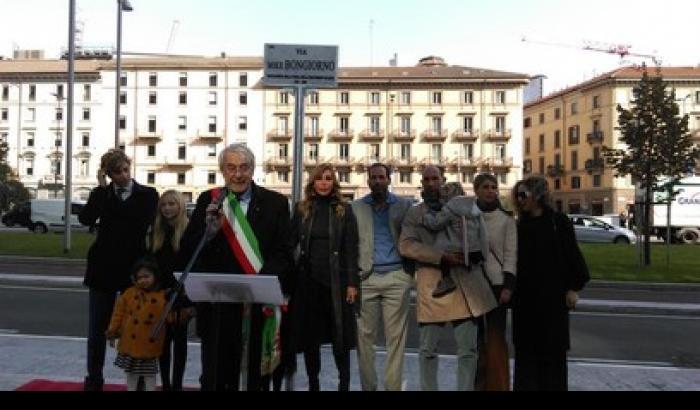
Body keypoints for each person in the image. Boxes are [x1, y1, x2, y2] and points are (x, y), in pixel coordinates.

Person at [178, 143, 292, 391]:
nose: (238, 174)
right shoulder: (209, 200)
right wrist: (209, 233)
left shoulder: (276, 203)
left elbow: (284, 252)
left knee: (254, 376)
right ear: (222, 171)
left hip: (258, 306)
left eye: (244, 168)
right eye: (231, 168)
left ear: (252, 169)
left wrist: (261, 284)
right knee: (216, 375)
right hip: (218, 307)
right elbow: (188, 249)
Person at [399, 166, 495, 391]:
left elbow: (482, 237)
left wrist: (478, 258)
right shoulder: (416, 212)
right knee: (428, 350)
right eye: (427, 179)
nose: (431, 183)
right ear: (421, 183)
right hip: (434, 285)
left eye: (435, 179)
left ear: (443, 180)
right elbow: (406, 245)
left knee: (468, 350)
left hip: (466, 285)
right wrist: (440, 256)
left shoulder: (460, 205)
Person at [79, 149, 159, 391]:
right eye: (117, 172)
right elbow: (86, 219)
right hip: (102, 267)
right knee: (98, 329)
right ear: (108, 174)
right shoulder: (102, 194)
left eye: (126, 170)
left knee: (137, 324)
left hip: (133, 270)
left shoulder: (147, 195)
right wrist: (103, 191)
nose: (123, 176)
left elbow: (137, 220)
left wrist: (109, 202)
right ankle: (94, 378)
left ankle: (138, 379)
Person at [511, 176, 590, 391]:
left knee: (552, 359)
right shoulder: (520, 225)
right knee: (525, 359)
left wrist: (573, 287)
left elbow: (573, 256)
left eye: (523, 194)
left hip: (552, 301)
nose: (519, 200)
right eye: (517, 195)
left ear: (537, 195)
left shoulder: (558, 222)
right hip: (525, 302)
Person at [289, 164, 359, 391]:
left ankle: (344, 384)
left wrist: (351, 283)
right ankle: (313, 384)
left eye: (328, 178)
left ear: (334, 182)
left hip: (336, 283)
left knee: (341, 338)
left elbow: (350, 248)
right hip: (308, 283)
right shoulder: (301, 209)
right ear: (313, 182)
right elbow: (290, 245)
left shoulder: (344, 210)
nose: (324, 183)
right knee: (311, 339)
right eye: (320, 178)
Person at [351, 163, 414, 391]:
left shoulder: (404, 205)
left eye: (381, 177)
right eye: (373, 177)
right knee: (364, 341)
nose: (377, 181)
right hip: (366, 279)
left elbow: (414, 239)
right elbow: (350, 244)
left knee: (396, 341)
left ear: (389, 179)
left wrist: (409, 274)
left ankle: (392, 388)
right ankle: (369, 387)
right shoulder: (356, 207)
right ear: (368, 181)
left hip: (397, 277)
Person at [471, 174, 517, 391]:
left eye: (494, 187)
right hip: (473, 283)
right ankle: (478, 386)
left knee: (496, 339)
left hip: (498, 284)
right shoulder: (469, 216)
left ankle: (498, 386)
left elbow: (511, 253)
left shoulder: (506, 219)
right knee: (476, 340)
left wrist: (508, 285)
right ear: (476, 190)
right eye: (486, 187)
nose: (490, 191)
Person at [148, 190, 194, 391]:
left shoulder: (190, 231)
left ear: (180, 206)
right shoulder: (156, 231)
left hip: (182, 295)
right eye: (164, 205)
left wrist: (189, 298)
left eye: (172, 204)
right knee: (163, 345)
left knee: (180, 344)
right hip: (161, 294)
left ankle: (177, 385)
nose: (167, 208)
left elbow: (193, 263)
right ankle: (165, 384)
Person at [106, 257, 172, 391]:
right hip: (130, 341)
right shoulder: (129, 293)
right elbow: (117, 314)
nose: (143, 280)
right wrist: (112, 331)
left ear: (155, 276)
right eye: (139, 277)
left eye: (146, 276)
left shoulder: (161, 296)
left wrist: (183, 313)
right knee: (131, 372)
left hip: (149, 343)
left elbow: (168, 317)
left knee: (149, 373)